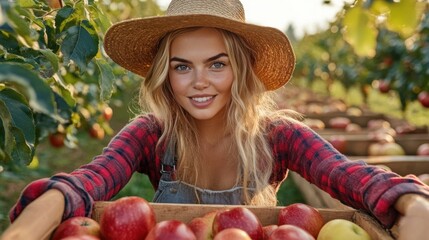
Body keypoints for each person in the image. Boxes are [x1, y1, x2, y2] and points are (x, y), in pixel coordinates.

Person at [2, 0, 429, 239]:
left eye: (217, 64)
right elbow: (91, 181)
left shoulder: (278, 137)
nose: (198, 82)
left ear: (240, 70)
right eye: (182, 66)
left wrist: (413, 205)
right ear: (164, 73)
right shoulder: (152, 135)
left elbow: (348, 175)